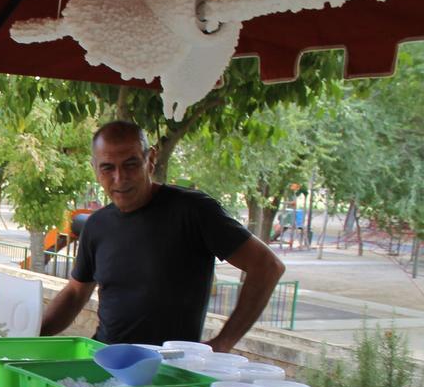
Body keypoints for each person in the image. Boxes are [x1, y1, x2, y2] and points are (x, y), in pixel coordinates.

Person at [40, 121, 285, 351]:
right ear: (95, 169)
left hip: (170, 372)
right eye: (107, 168)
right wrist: (29, 333)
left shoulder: (193, 211)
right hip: (106, 362)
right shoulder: (97, 225)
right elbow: (75, 293)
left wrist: (223, 342)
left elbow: (267, 266)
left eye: (131, 164)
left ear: (151, 159)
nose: (119, 177)